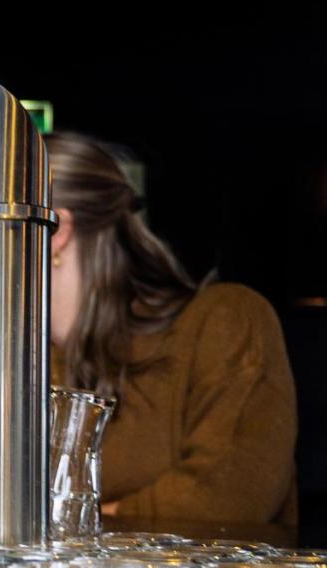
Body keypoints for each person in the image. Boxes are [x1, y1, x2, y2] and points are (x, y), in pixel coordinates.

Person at [47, 132, 297, 525]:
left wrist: (81, 519)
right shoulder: (33, 363)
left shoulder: (226, 320)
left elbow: (229, 501)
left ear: (56, 228)